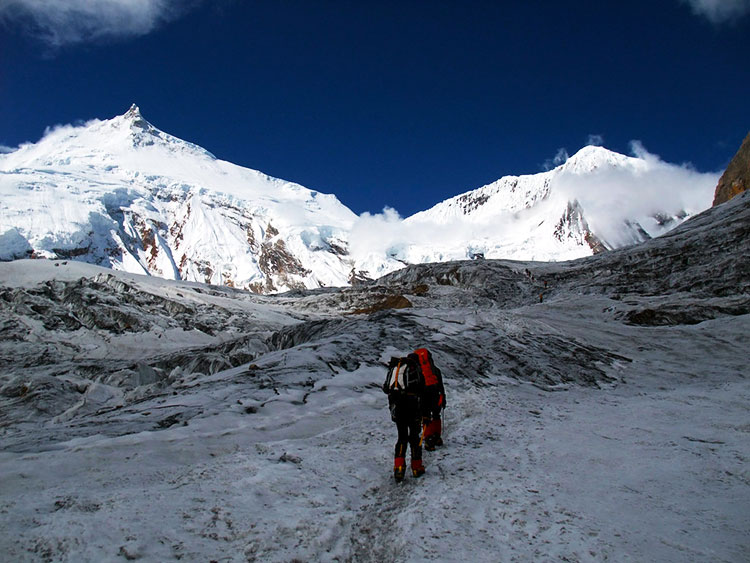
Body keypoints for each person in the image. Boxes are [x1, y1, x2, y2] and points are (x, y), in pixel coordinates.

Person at [383, 354, 425, 481]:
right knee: (414, 437)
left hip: (398, 407)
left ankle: (399, 468)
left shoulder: (396, 370)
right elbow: (422, 389)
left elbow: (386, 388)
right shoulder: (415, 369)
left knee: (402, 437)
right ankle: (416, 467)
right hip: (412, 407)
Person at [413, 348, 446, 451]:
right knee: (436, 415)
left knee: (426, 417)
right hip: (435, 394)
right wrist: (443, 397)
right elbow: (440, 385)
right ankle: (437, 437)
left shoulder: (417, 371)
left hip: (423, 396)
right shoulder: (435, 370)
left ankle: (428, 440)